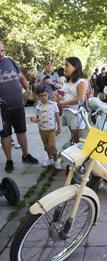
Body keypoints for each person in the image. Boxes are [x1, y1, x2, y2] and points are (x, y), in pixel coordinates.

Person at [0, 41, 38, 173]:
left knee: (21, 131)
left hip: (17, 105)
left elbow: (21, 77)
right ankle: (9, 160)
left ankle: (26, 155)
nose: (1, 54)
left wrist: (27, 89)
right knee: (5, 134)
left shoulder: (10, 62)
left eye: (2, 51)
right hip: (2, 110)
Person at [30, 84, 61, 169]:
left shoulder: (53, 104)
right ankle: (50, 159)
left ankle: (55, 160)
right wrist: (33, 119)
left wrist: (59, 127)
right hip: (42, 130)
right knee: (46, 145)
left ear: (48, 94)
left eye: (45, 95)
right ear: (38, 96)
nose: (44, 97)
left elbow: (57, 116)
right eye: (41, 96)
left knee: (52, 145)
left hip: (51, 129)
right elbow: (37, 118)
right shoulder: (37, 107)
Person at [58, 57, 87, 143]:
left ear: (75, 67)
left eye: (67, 66)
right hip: (68, 114)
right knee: (74, 139)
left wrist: (64, 102)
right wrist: (60, 98)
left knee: (80, 142)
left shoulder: (81, 81)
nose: (65, 68)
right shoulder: (67, 81)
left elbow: (81, 98)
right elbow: (67, 95)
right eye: (64, 66)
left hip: (77, 115)